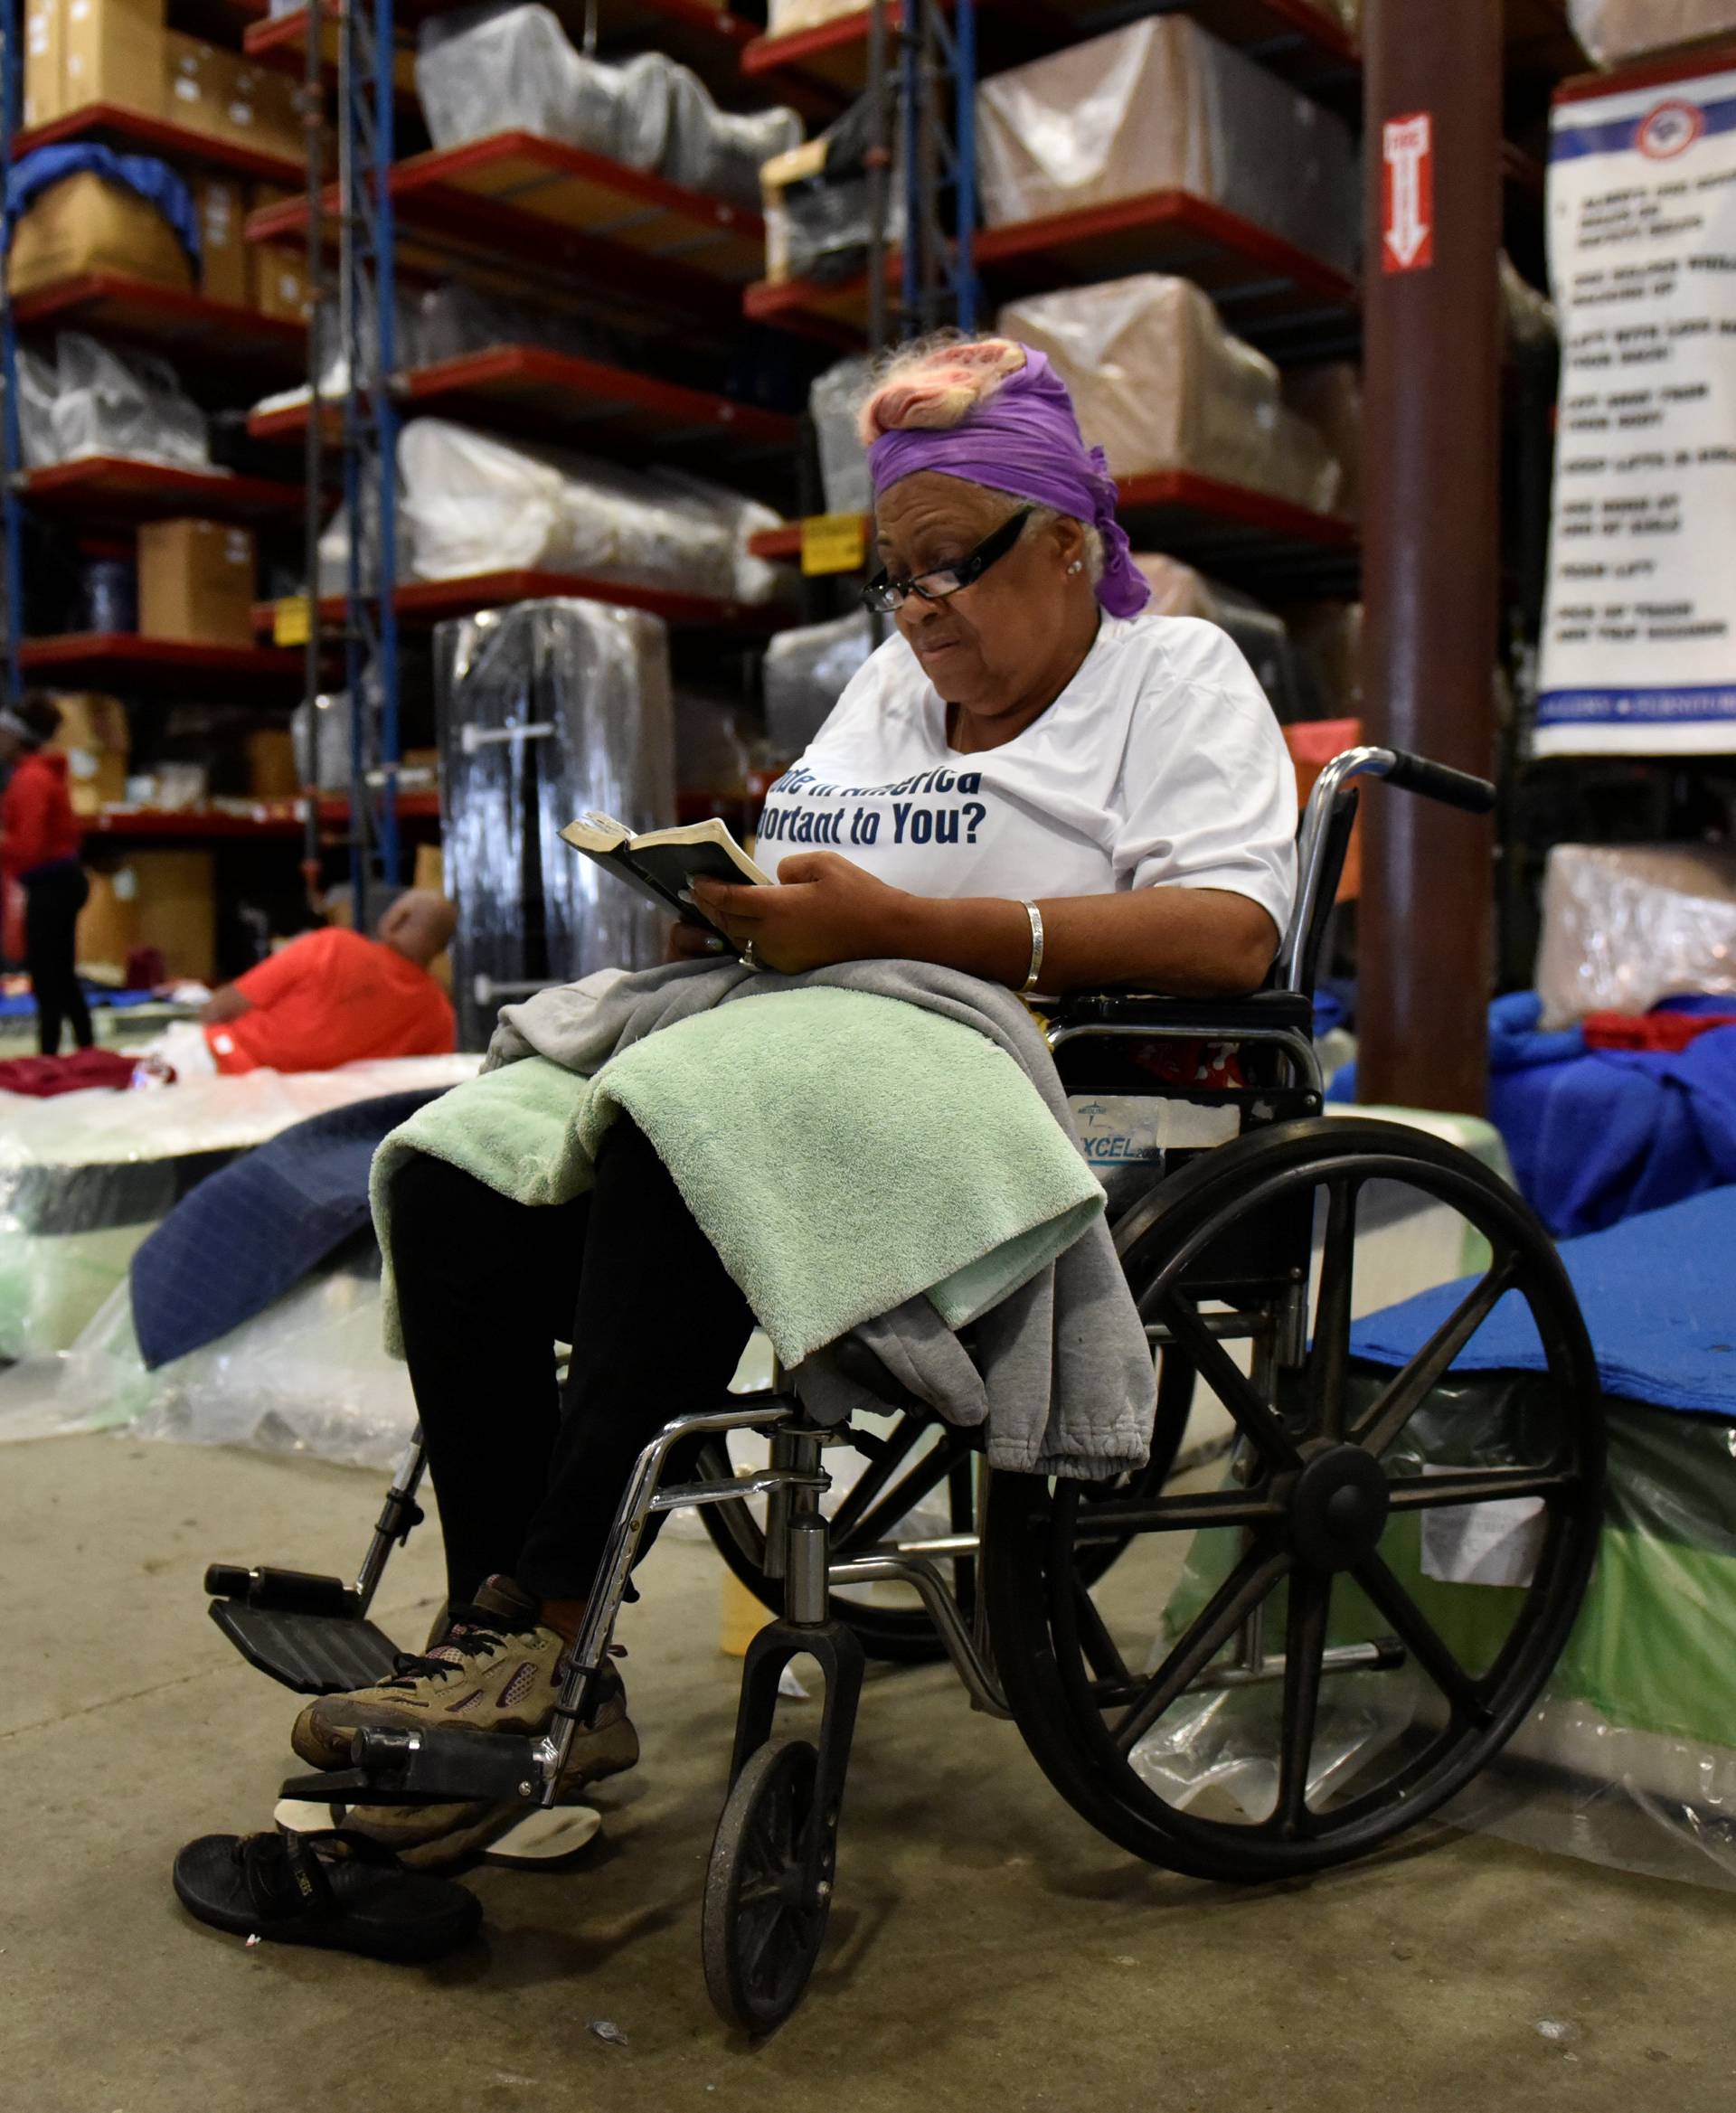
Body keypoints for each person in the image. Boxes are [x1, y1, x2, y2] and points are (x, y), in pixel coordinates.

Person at [283, 335, 1299, 1867]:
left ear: (1072, 542)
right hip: (815, 1036)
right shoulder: (896, 684)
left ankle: (547, 1627)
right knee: (457, 1161)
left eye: (952, 565)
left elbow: (1233, 934)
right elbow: (811, 865)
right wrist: (735, 906)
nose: (919, 611)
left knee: (689, 1123)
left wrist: (895, 924)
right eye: (896, 577)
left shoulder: (1175, 677)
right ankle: (497, 1623)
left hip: (1065, 1084)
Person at [196, 889, 458, 1075]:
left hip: (223, 1060)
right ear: (439, 949)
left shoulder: (332, 946)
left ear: (397, 919)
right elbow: (428, 1078)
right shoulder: (438, 1013)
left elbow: (219, 1009)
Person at [0, 693, 92, 1060]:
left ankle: (50, 1055)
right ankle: (79, 1049)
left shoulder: (31, 781)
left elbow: (29, 847)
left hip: (51, 883)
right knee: (59, 974)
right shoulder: (38, 777)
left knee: (51, 975)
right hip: (58, 881)